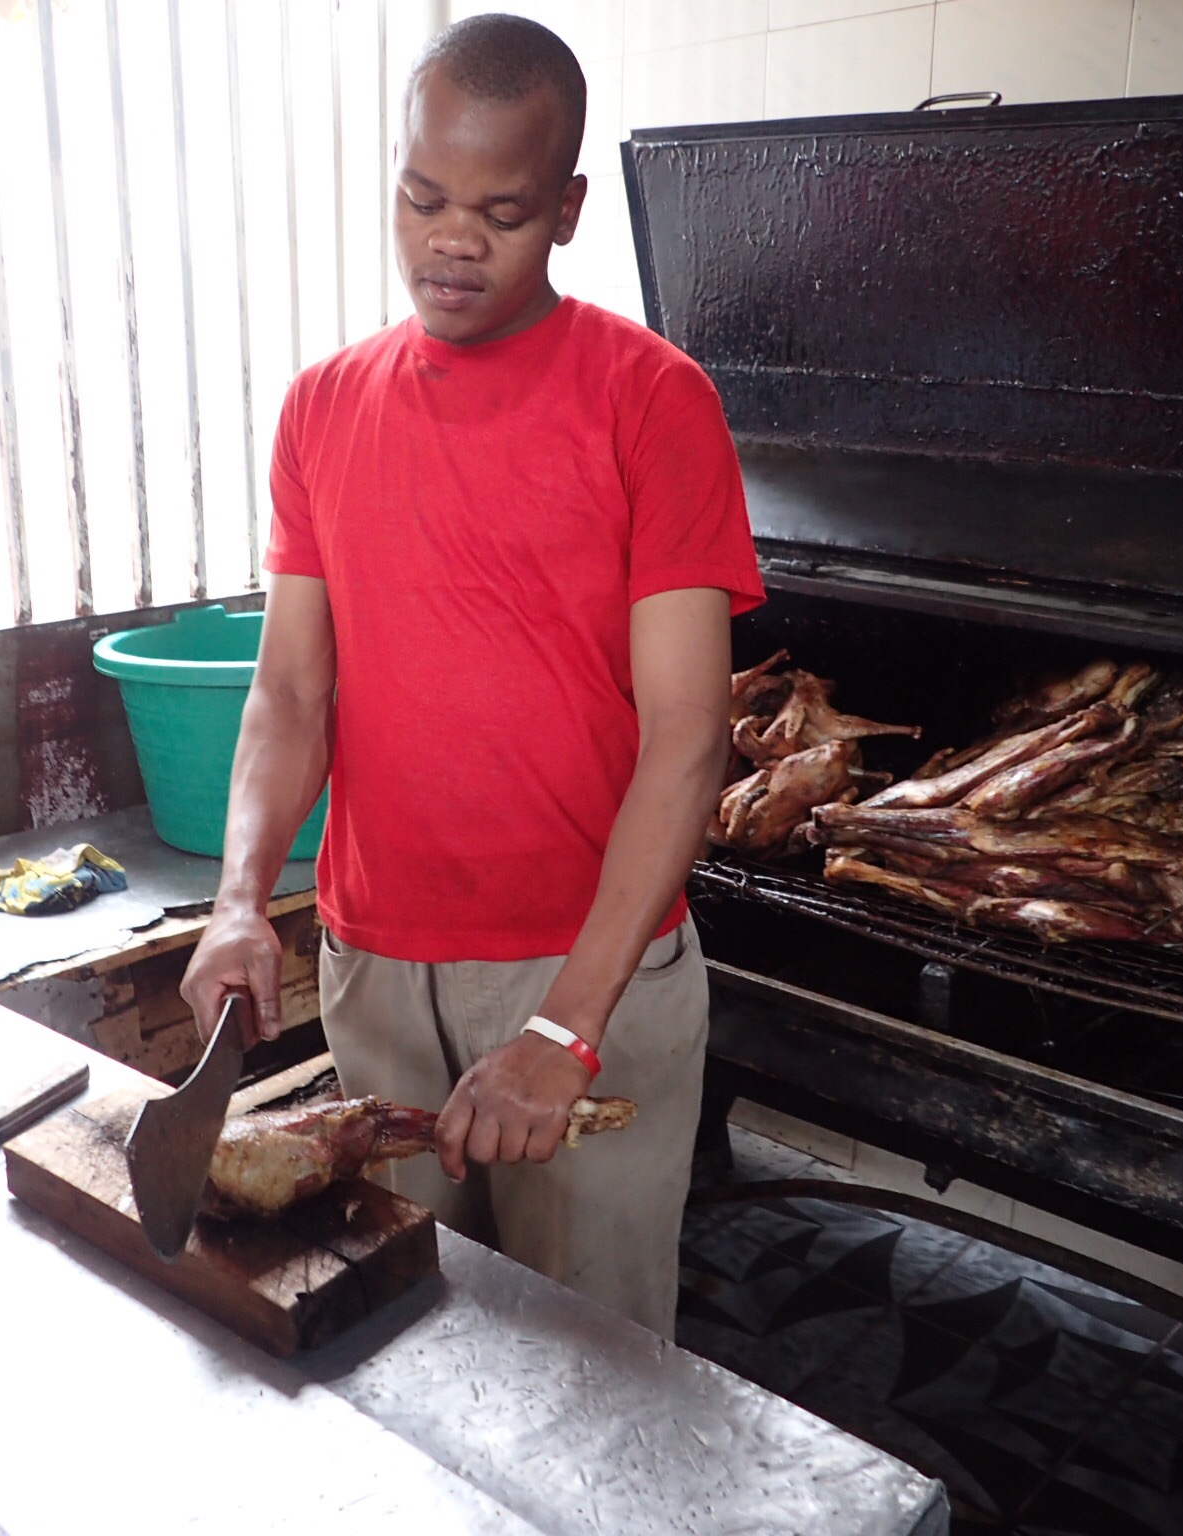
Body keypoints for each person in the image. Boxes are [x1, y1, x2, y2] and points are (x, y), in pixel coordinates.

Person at [178, 12, 762, 1338]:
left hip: (585, 961)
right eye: (423, 198)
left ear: (566, 211)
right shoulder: (323, 406)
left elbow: (688, 736)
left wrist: (565, 1029)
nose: (452, 240)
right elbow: (291, 695)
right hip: (376, 967)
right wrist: (237, 901)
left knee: (591, 1353)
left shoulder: (652, 400)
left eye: (500, 213)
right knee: (408, 1333)